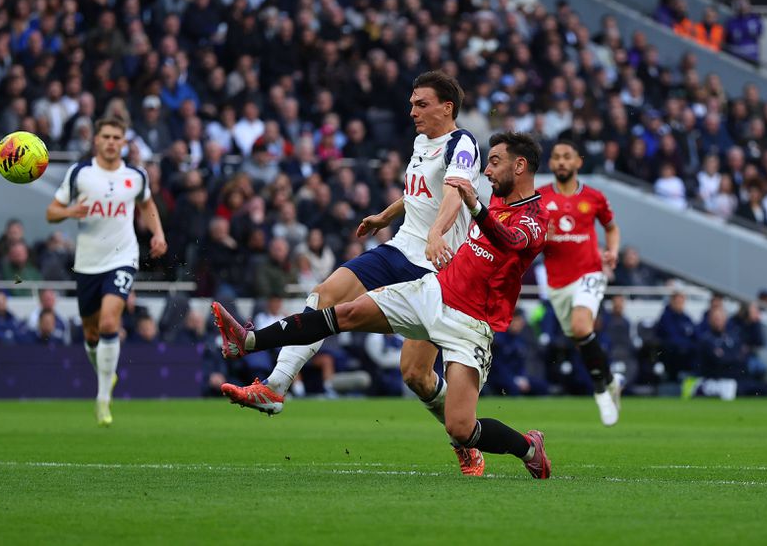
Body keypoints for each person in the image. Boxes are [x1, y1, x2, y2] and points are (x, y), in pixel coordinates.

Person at [215, 131, 551, 478]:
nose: (488, 171)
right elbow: (428, 193)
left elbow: (509, 241)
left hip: (470, 324)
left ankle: (528, 448)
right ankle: (251, 342)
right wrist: (387, 215)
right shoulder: (490, 194)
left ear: (520, 165)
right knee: (343, 312)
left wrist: (474, 207)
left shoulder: (536, 219)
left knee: (460, 428)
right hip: (433, 290)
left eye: (495, 162)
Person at [220, 71, 485, 473]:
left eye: (421, 103)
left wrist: (436, 233)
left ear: (447, 107)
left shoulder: (462, 143)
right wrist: (384, 215)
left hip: (437, 269)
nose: (412, 110)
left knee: (415, 374)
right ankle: (274, 387)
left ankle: (464, 442)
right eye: (412, 103)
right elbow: (419, 191)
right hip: (399, 249)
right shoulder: (421, 142)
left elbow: (454, 190)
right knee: (326, 293)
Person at [46, 118, 167, 426]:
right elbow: (51, 212)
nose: (112, 142)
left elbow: (147, 205)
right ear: (96, 141)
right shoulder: (80, 174)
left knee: (111, 320)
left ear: (123, 142)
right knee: (91, 334)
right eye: (106, 137)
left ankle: (102, 399)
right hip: (87, 262)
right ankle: (106, 375)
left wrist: (158, 234)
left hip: (122, 257)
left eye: (117, 137)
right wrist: (70, 211)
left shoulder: (136, 176)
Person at [537, 140, 624, 426]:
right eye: (557, 157)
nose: (561, 162)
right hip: (557, 283)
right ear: (551, 164)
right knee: (579, 338)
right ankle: (609, 380)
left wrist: (612, 251)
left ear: (578, 162)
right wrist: (542, 238)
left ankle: (600, 391)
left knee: (581, 326)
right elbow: (530, 241)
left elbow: (611, 227)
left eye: (567, 157)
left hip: (590, 272)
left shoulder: (595, 197)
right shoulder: (539, 198)